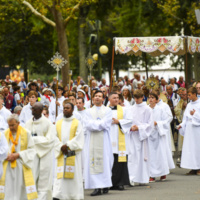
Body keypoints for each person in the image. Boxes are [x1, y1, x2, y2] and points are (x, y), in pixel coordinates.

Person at [83, 90, 113, 196]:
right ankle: (96, 186)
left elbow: (106, 124)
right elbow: (87, 124)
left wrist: (95, 124)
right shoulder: (88, 111)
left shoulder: (108, 110)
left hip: (104, 141)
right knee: (92, 162)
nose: (97, 98)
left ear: (103, 99)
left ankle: (105, 184)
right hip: (91, 140)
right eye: (95, 96)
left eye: (100, 96)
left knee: (105, 162)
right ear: (93, 98)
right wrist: (99, 124)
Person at [0, 114, 37, 200]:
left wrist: (18, 154)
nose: (11, 127)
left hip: (21, 166)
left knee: (20, 191)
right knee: (8, 190)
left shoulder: (26, 133)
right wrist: (6, 155)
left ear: (18, 123)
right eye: (9, 125)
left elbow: (32, 150)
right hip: (7, 166)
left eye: (13, 125)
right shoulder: (4, 134)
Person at [53, 102, 84, 200]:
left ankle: (74, 196)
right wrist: (60, 146)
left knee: (73, 177)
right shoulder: (58, 123)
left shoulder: (77, 122)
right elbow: (54, 137)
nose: (65, 109)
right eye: (64, 108)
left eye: (68, 108)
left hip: (72, 153)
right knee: (60, 176)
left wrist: (68, 145)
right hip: (61, 152)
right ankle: (59, 195)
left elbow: (79, 137)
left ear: (72, 110)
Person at [25, 102, 56, 199]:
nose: (33, 111)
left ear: (41, 110)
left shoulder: (48, 123)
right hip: (32, 155)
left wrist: (33, 140)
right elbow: (25, 139)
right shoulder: (28, 123)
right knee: (32, 177)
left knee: (44, 180)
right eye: (32, 109)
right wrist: (36, 141)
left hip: (45, 154)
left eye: (35, 109)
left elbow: (49, 140)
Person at [128, 89, 153, 185]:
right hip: (132, 136)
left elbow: (150, 125)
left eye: (138, 98)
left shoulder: (147, 109)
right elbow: (127, 121)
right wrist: (130, 127)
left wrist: (139, 127)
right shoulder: (130, 108)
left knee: (142, 158)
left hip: (142, 137)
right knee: (132, 157)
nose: (137, 100)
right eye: (135, 98)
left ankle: (142, 178)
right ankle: (132, 178)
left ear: (143, 97)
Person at [148, 92, 174, 182]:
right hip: (149, 135)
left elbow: (166, 121)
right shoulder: (146, 109)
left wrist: (157, 123)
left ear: (156, 99)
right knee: (150, 155)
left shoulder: (160, 109)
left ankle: (163, 172)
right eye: (149, 97)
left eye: (152, 97)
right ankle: (151, 174)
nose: (150, 99)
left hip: (159, 133)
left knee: (160, 154)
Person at [109, 92, 132, 190]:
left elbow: (130, 120)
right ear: (109, 99)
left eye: (117, 98)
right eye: (114, 98)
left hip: (120, 139)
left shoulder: (124, 110)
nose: (116, 99)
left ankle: (120, 183)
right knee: (110, 161)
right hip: (109, 138)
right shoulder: (105, 110)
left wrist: (119, 122)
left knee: (120, 161)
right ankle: (109, 182)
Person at [178, 87, 200, 175]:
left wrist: (195, 114)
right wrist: (181, 125)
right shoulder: (189, 105)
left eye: (189, 95)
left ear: (195, 94)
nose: (188, 96)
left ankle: (199, 167)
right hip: (190, 130)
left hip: (197, 129)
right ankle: (193, 167)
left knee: (197, 148)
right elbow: (185, 118)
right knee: (191, 148)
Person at [174, 88, 188, 167]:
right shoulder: (180, 102)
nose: (183, 96)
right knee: (181, 143)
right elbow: (177, 110)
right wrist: (182, 108)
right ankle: (181, 158)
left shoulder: (191, 102)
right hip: (183, 125)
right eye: (182, 95)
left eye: (185, 94)